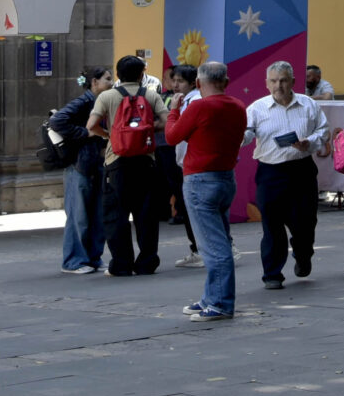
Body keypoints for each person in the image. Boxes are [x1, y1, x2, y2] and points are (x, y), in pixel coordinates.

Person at [166, 60, 247, 320]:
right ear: (226, 81)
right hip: (225, 177)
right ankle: (211, 298)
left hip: (200, 180)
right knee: (218, 240)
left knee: (213, 246)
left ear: (198, 83)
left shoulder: (199, 107)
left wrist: (173, 111)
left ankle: (220, 303)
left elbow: (172, 136)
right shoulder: (238, 106)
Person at [246, 59, 329, 289]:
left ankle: (303, 254)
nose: (278, 86)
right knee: (271, 225)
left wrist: (309, 142)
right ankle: (272, 274)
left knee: (305, 223)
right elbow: (246, 133)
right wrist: (237, 136)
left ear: (292, 81)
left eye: (283, 81)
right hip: (270, 172)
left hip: (301, 170)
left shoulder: (308, 104)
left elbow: (324, 131)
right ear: (266, 83)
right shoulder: (256, 108)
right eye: (273, 81)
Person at [90, 54, 164, 276]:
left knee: (116, 215)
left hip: (116, 161)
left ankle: (121, 264)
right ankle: (147, 262)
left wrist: (110, 135)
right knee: (146, 215)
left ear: (118, 74)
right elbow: (167, 120)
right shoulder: (150, 95)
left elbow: (91, 126)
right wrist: (148, 129)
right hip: (146, 161)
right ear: (142, 75)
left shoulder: (107, 96)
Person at [50, 67, 109, 274]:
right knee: (79, 215)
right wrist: (85, 133)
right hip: (79, 164)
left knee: (95, 213)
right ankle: (74, 260)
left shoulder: (99, 102)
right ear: (94, 82)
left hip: (93, 163)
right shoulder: (83, 101)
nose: (111, 82)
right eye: (107, 79)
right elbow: (57, 121)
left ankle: (93, 257)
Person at [163, 63, 204, 268]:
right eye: (174, 80)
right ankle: (198, 249)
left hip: (191, 163)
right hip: (185, 161)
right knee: (188, 208)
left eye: (180, 81)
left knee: (194, 209)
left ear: (193, 83)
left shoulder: (193, 102)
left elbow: (175, 133)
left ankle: (201, 250)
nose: (175, 85)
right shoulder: (184, 100)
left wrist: (173, 112)